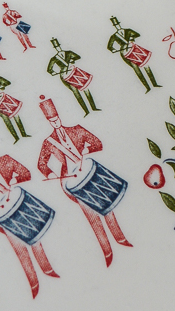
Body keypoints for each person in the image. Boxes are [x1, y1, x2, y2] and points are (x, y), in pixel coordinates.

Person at [0, 124, 58, 298]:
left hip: (19, 203)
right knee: (19, 248)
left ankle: (47, 269)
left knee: (35, 238)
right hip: (1, 213)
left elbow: (26, 173)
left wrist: (15, 179)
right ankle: (33, 282)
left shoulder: (4, 160)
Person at [37, 96, 131, 267]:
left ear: (59, 117)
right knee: (92, 217)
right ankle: (106, 251)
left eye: (56, 119)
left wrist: (88, 149)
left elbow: (97, 143)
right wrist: (50, 173)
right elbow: (41, 165)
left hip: (91, 174)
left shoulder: (76, 129)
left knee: (107, 208)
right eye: (52, 120)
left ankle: (120, 238)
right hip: (73, 183)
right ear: (49, 122)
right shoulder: (48, 142)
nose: (55, 122)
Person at [46, 35, 99, 115]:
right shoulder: (54, 58)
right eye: (56, 47)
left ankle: (94, 108)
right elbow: (49, 69)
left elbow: (78, 57)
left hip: (74, 72)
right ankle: (86, 111)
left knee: (86, 89)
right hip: (65, 76)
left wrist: (72, 59)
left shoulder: (69, 53)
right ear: (55, 48)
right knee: (76, 92)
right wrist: (53, 72)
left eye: (58, 46)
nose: (58, 48)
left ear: (60, 46)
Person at [108, 15, 160, 92]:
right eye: (115, 25)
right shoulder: (114, 36)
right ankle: (147, 88)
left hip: (135, 49)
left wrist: (131, 39)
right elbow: (109, 46)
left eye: (117, 24)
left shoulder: (128, 31)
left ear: (119, 24)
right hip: (125, 53)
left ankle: (155, 84)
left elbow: (137, 34)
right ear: (114, 26)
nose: (117, 26)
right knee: (136, 69)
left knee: (146, 65)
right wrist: (113, 49)